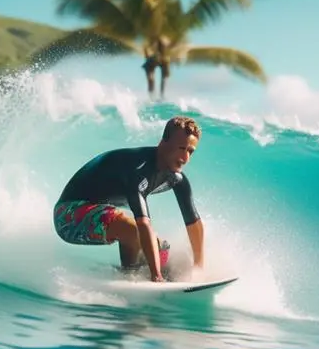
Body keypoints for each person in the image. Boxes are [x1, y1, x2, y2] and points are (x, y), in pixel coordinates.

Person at [53, 116, 206, 282]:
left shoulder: (176, 178)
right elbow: (143, 224)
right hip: (68, 214)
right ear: (164, 142)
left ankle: (157, 274)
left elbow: (193, 224)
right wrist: (156, 277)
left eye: (190, 151)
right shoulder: (139, 170)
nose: (185, 158)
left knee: (161, 248)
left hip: (100, 210)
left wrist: (199, 267)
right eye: (181, 148)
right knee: (134, 232)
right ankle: (130, 276)